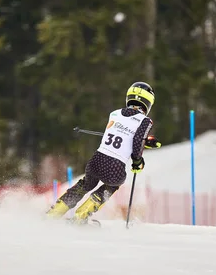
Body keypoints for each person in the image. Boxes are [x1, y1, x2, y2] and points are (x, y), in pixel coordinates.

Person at [45, 81, 161, 224]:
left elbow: (124, 133)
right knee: (112, 185)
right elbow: (136, 139)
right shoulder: (145, 121)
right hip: (114, 167)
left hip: (96, 161)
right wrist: (137, 161)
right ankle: (81, 217)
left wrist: (145, 141)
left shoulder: (115, 113)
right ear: (148, 103)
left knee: (85, 184)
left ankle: (53, 213)